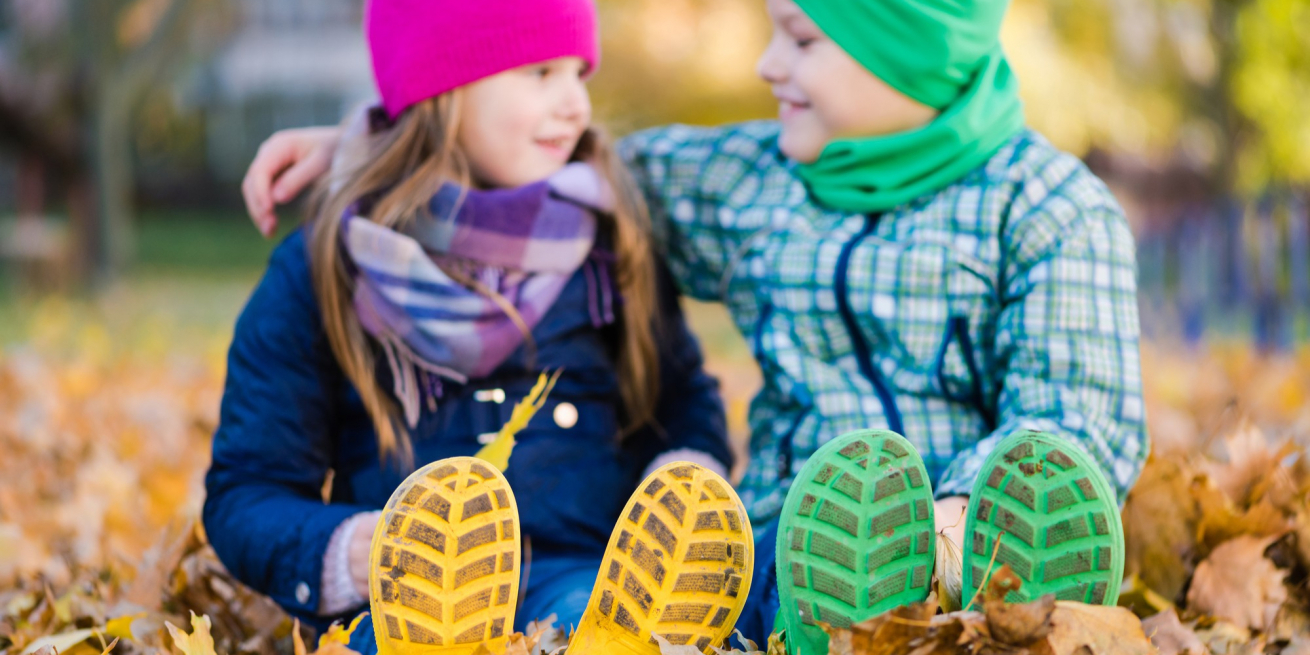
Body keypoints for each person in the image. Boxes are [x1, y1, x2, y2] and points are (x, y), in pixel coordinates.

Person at [238, 0, 1149, 651]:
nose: (766, 66)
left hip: (962, 524)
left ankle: (956, 571)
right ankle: (828, 608)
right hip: (788, 531)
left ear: (904, 52)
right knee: (748, 577)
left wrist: (955, 515)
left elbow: (1080, 419)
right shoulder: (748, 182)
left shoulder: (1048, 209)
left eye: (800, 38)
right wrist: (373, 140)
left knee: (1012, 497)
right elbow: (526, 165)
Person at [202, 0, 749, 653]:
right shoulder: (326, 269)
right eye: (541, 73)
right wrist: (360, 551)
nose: (576, 105)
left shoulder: (609, 245)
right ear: (444, 89)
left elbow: (682, 402)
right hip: (408, 600)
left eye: (578, 73)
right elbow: (247, 490)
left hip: (578, 579)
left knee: (592, 636)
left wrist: (681, 480)